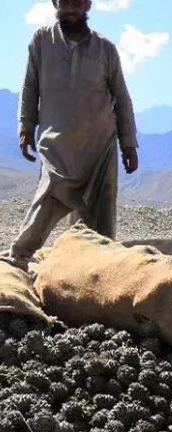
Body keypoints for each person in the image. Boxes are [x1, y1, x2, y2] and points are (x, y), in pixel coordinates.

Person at [5, 0, 138, 269]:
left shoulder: (106, 49)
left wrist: (129, 145)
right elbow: (30, 85)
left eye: (77, 0)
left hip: (99, 148)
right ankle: (18, 255)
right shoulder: (42, 41)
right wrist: (25, 128)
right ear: (56, 3)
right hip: (57, 146)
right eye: (64, 0)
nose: (71, 6)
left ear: (87, 4)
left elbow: (122, 98)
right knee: (48, 196)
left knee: (100, 213)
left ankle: (95, 267)